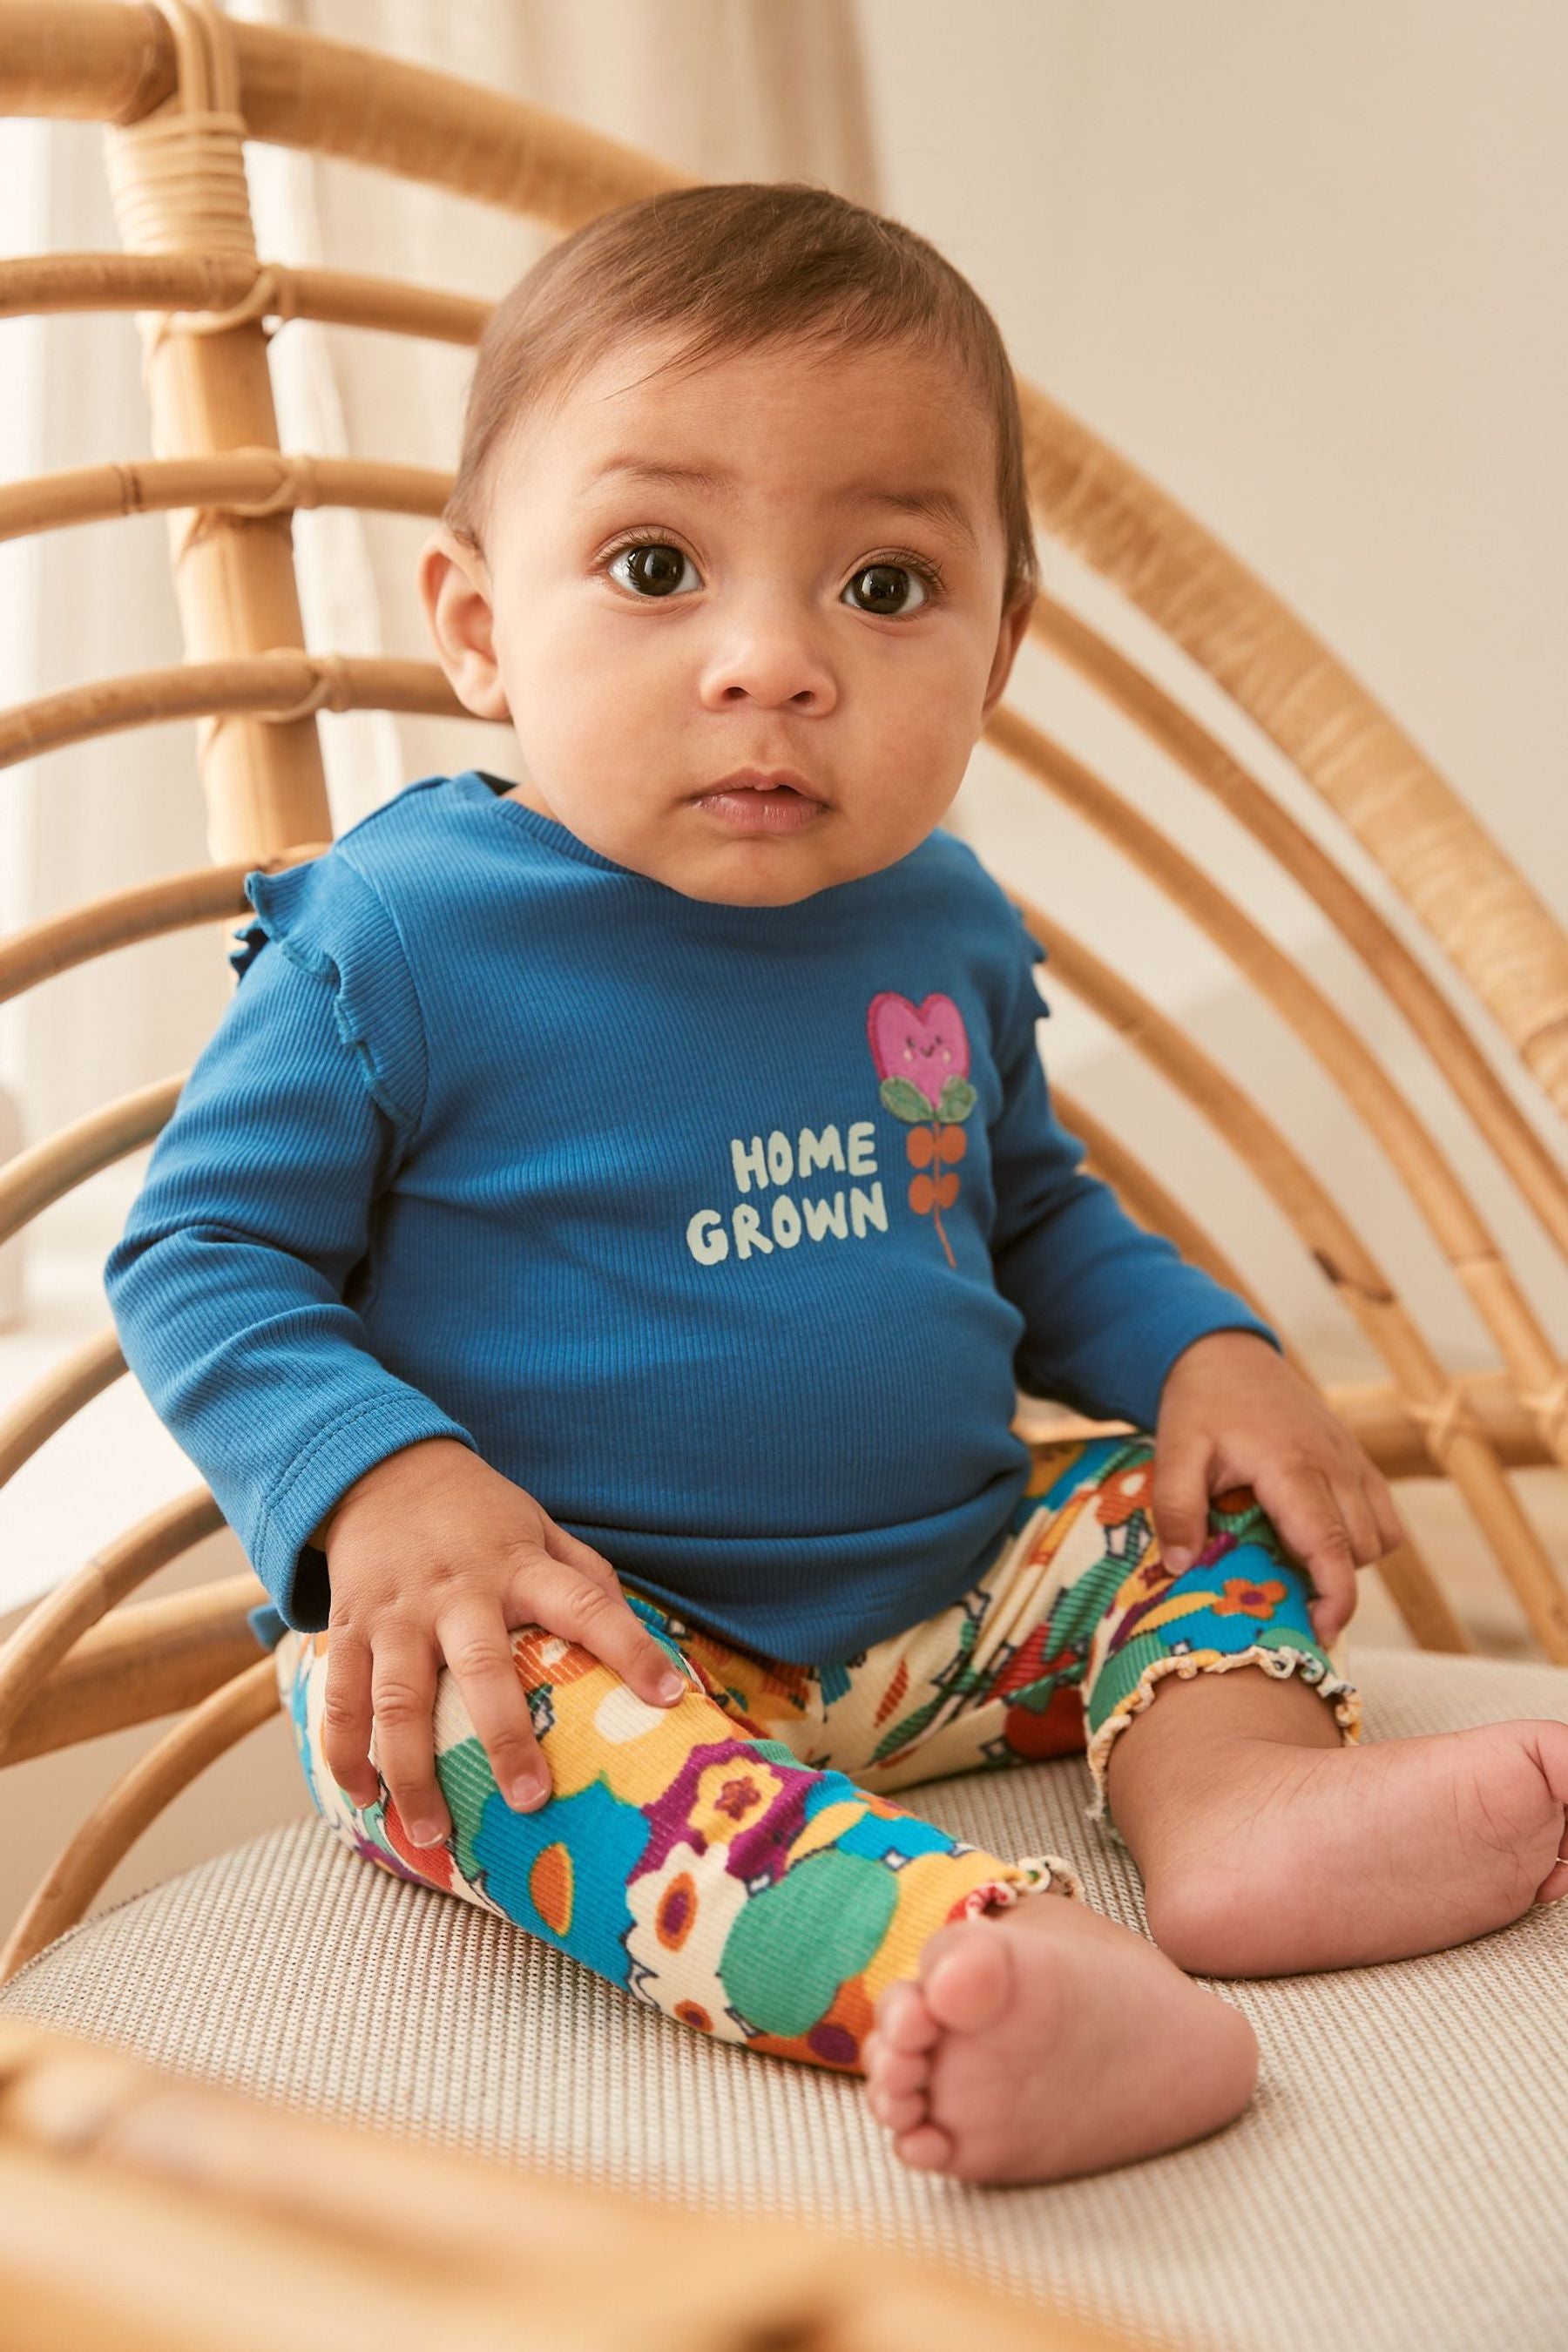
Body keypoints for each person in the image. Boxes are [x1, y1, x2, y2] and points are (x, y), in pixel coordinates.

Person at [104, 182, 1568, 2188]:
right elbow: (202, 1252)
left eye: (884, 590)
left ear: (1003, 645)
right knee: (474, 1746)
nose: (774, 662)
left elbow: (1030, 1209)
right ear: (474, 626)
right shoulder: (403, 937)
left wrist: (1209, 1348)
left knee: (1176, 1520)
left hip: (963, 1588)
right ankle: (965, 1962)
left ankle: (1243, 1817)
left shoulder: (943, 922)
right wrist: (381, 1484)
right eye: (653, 564)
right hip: (604, 1631)